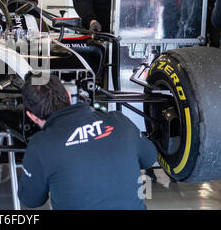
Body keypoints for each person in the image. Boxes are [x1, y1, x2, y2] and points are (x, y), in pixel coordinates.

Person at [18, 74, 157, 210]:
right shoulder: (120, 121)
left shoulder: (40, 145)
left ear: (32, 116)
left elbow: (31, 200)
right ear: (68, 95)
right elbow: (150, 158)